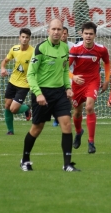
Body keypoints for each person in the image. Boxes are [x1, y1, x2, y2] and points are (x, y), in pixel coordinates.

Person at [20, 18, 80, 172]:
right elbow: (31, 75)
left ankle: (67, 164)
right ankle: (25, 160)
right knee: (37, 128)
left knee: (66, 124)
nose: (56, 32)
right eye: (53, 29)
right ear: (48, 31)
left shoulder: (65, 48)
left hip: (60, 93)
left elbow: (65, 69)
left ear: (63, 32)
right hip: (42, 93)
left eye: (59, 29)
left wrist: (68, 87)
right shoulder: (40, 48)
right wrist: (38, 94)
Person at [69, 21, 110, 154]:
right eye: (86, 33)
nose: (88, 36)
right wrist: (73, 77)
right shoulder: (75, 49)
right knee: (77, 112)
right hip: (78, 82)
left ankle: (91, 142)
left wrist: (107, 80)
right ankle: (79, 132)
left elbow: (107, 62)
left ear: (95, 35)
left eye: (90, 34)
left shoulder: (101, 49)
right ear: (81, 34)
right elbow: (64, 68)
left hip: (93, 81)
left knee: (89, 107)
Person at [0, 28, 34, 135]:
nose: (24, 39)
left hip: (24, 84)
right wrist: (2, 68)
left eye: (26, 37)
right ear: (19, 38)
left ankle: (27, 108)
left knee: (13, 109)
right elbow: (4, 61)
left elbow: (38, 66)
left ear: (29, 39)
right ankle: (10, 131)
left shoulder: (33, 52)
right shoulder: (14, 49)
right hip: (12, 81)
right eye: (23, 37)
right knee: (7, 106)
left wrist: (32, 76)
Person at [52, 26, 75, 127]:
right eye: (63, 33)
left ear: (67, 35)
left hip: (71, 75)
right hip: (58, 75)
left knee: (70, 97)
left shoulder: (73, 46)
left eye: (65, 33)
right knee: (58, 97)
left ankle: (65, 116)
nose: (64, 35)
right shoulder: (54, 46)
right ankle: (58, 117)